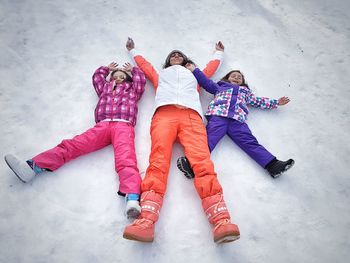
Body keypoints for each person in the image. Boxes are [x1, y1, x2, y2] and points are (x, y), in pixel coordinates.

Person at [122, 37, 240, 244]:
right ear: (168, 62)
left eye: (180, 54)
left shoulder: (194, 76)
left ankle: (221, 221)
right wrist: (133, 51)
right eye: (172, 55)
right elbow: (146, 66)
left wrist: (219, 53)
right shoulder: (161, 77)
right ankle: (146, 223)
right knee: (157, 164)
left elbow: (210, 68)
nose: (176, 55)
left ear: (186, 61)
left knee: (202, 163)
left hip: (191, 118)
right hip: (164, 117)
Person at [4, 61, 146, 219]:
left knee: (126, 159)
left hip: (123, 126)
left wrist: (133, 70)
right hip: (102, 126)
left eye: (122, 77)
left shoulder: (132, 90)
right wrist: (106, 69)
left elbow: (141, 82)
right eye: (115, 76)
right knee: (72, 145)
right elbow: (97, 78)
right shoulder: (105, 88)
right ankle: (31, 168)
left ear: (128, 80)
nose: (119, 78)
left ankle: (132, 198)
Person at [177, 64, 294, 179]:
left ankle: (273, 165)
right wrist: (194, 70)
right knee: (208, 140)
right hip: (219, 117)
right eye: (234, 76)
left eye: (239, 77)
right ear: (227, 78)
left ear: (242, 81)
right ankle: (192, 165)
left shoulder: (245, 93)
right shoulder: (220, 87)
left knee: (249, 141)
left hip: (237, 121)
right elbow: (206, 82)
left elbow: (259, 101)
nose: (237, 78)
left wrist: (276, 103)